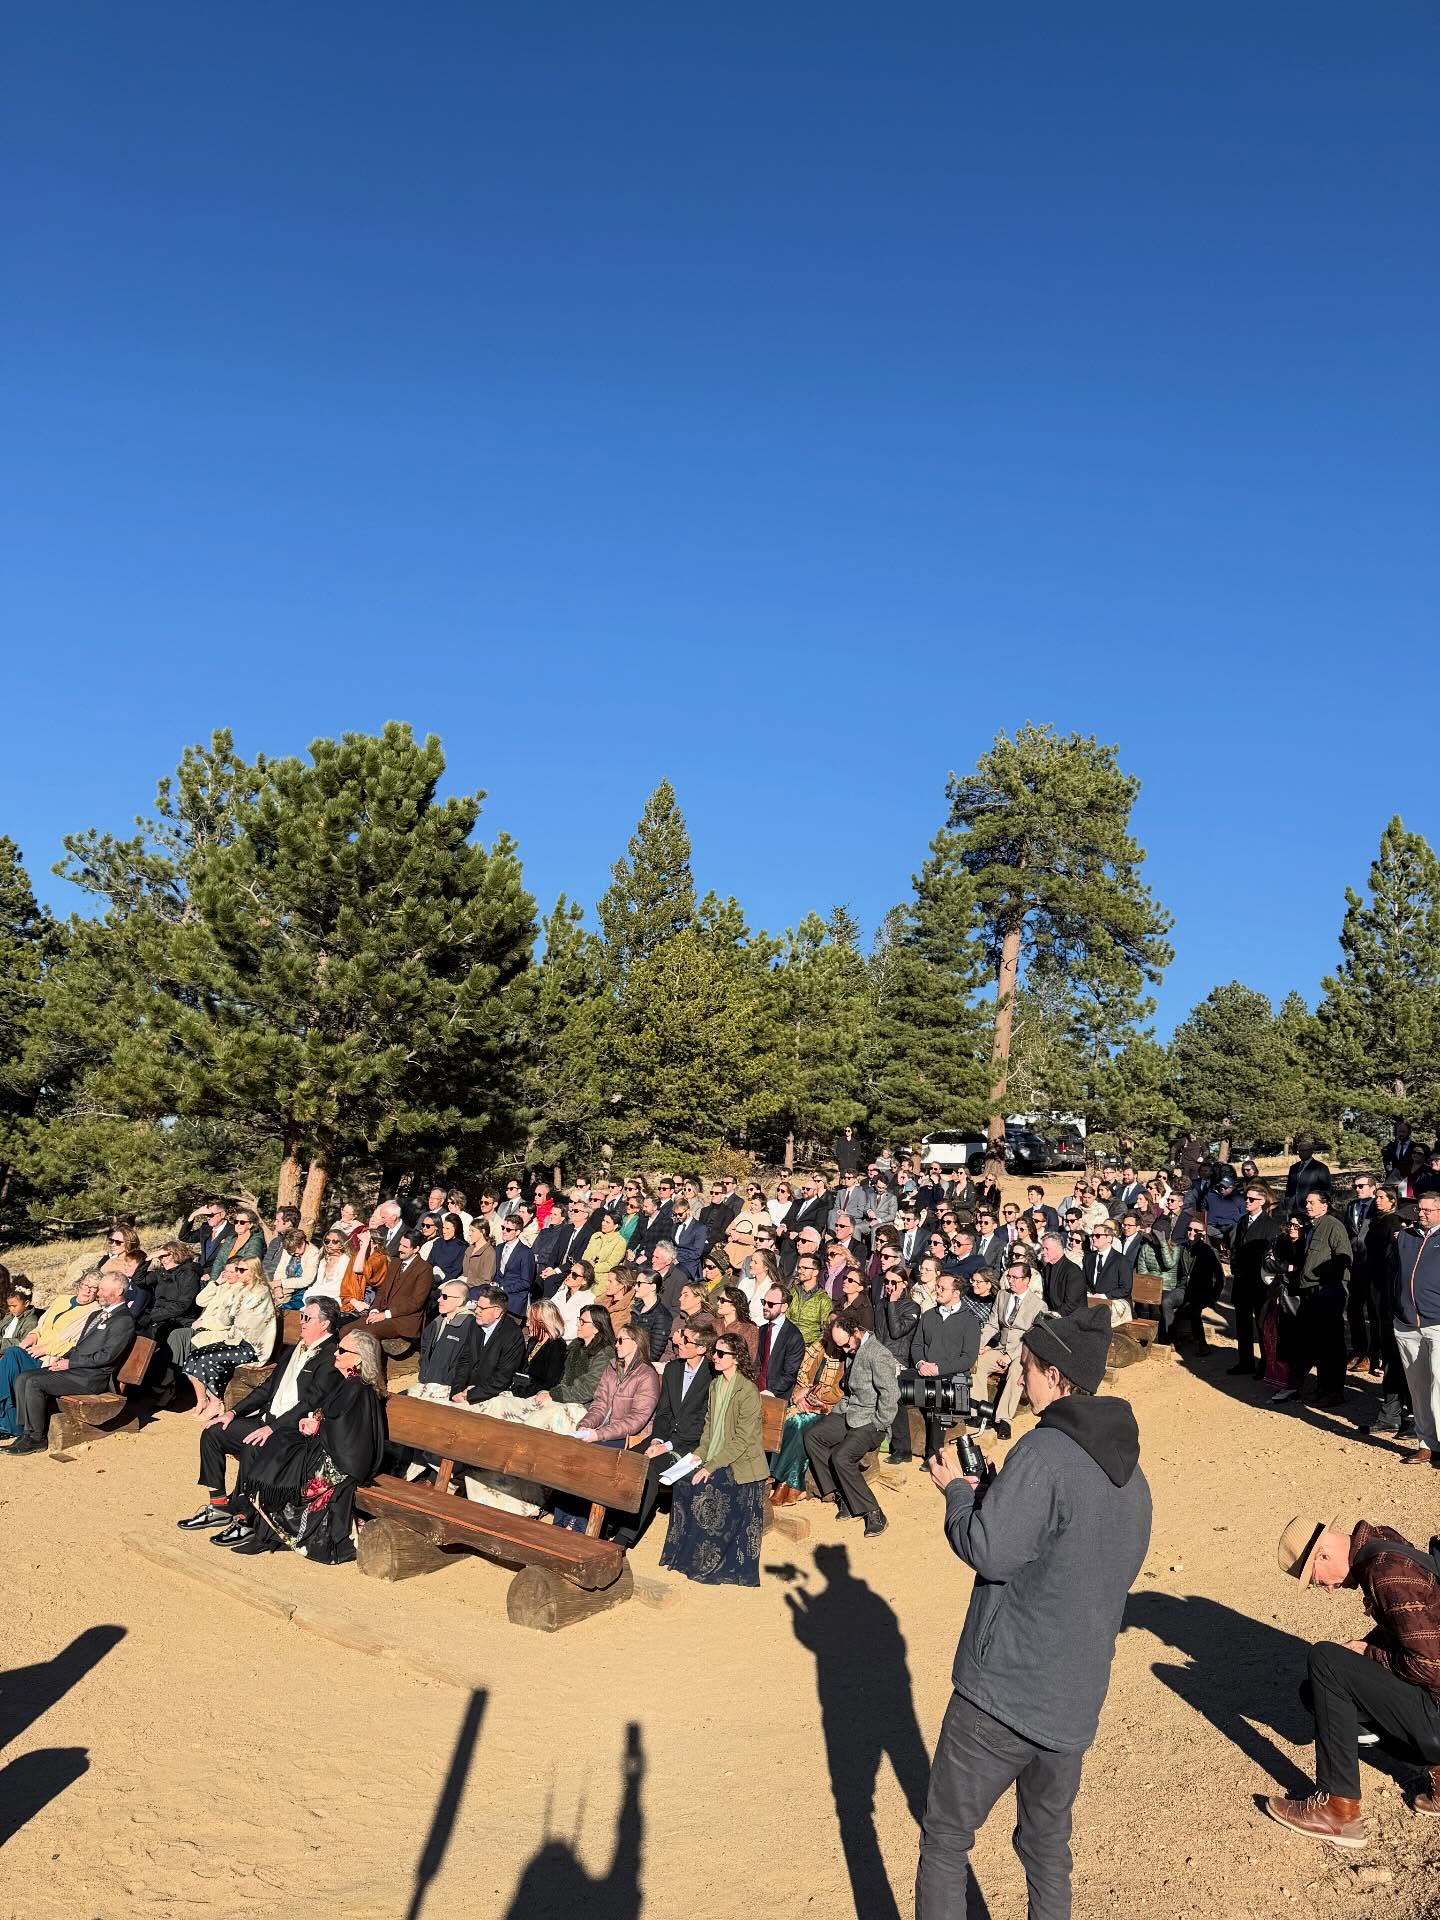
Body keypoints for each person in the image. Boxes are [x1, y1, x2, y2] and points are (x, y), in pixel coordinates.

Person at [916, 1304, 1152, 1919]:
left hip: (1003, 1693)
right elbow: (1078, 1559)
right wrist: (1002, 1495)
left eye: (1024, 1368)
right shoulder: (1134, 1477)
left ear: (1052, 1373)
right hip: (1073, 1700)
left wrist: (960, 1493)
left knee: (945, 1837)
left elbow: (989, 1551)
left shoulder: (1044, 1452)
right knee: (1047, 1849)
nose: (1017, 1379)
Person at [1264, 1512, 1440, 1847]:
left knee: (1325, 1661)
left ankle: (1337, 1810)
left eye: (1317, 1580)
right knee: (1316, 1690)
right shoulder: (1383, 1546)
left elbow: (1430, 1667)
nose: (1328, 1590)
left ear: (1323, 1555)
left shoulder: (1389, 1572)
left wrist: (1367, 1654)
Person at [175, 1297, 342, 1546]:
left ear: (325, 1324)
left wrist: (272, 1428)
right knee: (215, 1431)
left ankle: (247, 1519)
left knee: (254, 1445)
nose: (302, 1321)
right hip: (268, 1420)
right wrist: (233, 1412)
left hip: (295, 1432)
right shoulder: (297, 1347)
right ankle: (219, 1505)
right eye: (302, 1316)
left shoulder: (330, 1357)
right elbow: (267, 1388)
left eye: (307, 1318)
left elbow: (310, 1404)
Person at [248, 1329, 388, 1562]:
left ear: (359, 1358)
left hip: (342, 1460)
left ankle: (268, 1532)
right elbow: (334, 1417)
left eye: (342, 1350)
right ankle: (261, 1528)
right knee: (280, 1442)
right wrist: (315, 1420)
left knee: (283, 1453)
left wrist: (318, 1427)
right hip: (331, 1448)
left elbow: (350, 1433)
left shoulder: (359, 1388)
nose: (336, 1352)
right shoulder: (349, 1382)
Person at [659, 1330, 768, 1587]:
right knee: (683, 1483)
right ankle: (683, 1556)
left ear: (737, 1358)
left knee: (706, 1488)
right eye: (714, 1352)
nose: (714, 1357)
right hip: (715, 1455)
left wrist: (710, 1466)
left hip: (742, 1464)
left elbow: (742, 1441)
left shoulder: (748, 1392)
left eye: (720, 1354)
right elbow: (709, 1429)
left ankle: (707, 1562)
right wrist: (699, 1455)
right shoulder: (716, 1385)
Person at [2, 1272, 137, 1455]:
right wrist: (63, 1358)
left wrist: (70, 1363)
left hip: (92, 1378)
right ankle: (26, 1432)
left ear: (119, 1290)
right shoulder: (97, 1315)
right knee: (23, 1377)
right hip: (75, 1370)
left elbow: (107, 1357)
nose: (98, 1293)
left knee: (34, 1383)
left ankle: (37, 1438)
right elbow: (78, 1345)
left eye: (103, 1289)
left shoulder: (123, 1320)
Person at [612, 1313, 717, 1548]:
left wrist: (666, 1446)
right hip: (664, 1437)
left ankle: (625, 1536)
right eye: (681, 1338)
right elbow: (664, 1412)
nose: (678, 1343)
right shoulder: (672, 1370)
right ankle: (610, 1520)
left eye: (686, 1341)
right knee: (626, 1461)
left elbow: (703, 1424)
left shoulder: (712, 1376)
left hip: (691, 1446)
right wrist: (656, 1439)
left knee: (648, 1472)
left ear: (701, 1349)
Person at [549, 1320, 663, 1532]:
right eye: (616, 1340)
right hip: (602, 1431)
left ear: (636, 1344)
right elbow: (599, 1405)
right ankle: (561, 1519)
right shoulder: (612, 1367)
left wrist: (599, 1434)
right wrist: (585, 1426)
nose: (616, 1344)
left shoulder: (647, 1375)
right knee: (571, 1451)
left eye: (621, 1340)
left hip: (627, 1437)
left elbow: (637, 1420)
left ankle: (580, 1525)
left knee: (591, 1461)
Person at [804, 1307, 900, 1538]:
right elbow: (850, 1392)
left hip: (871, 1421)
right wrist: (836, 1412)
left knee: (841, 1457)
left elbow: (890, 1395)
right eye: (841, 1347)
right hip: (849, 1412)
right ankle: (840, 1495)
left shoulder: (878, 1354)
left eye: (846, 1345)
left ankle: (874, 1512)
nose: (845, 1351)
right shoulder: (853, 1350)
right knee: (812, 1436)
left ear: (856, 1332)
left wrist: (879, 1423)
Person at [891, 1271, 982, 1466]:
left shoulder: (970, 1321)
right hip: (923, 1372)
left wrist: (938, 1368)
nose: (937, 1290)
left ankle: (933, 1454)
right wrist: (921, 1363)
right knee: (892, 1387)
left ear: (956, 1293)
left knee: (936, 1396)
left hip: (951, 1378)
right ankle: (902, 1448)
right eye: (937, 1287)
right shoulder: (929, 1315)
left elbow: (968, 1359)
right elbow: (916, 1345)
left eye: (942, 1288)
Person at [0, 1275, 101, 1437]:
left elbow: (77, 1343)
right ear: (79, 1284)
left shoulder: (94, 1311)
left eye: (94, 1287)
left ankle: (10, 1424)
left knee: (11, 1355)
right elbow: (40, 1327)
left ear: (98, 1292)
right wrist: (30, 1338)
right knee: (11, 1359)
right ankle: (9, 1423)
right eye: (85, 1284)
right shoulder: (62, 1300)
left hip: (50, 1359)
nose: (88, 1289)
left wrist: (46, 1349)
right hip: (33, 1351)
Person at [180, 1259, 278, 1423]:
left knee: (206, 1359)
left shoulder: (260, 1292)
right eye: (237, 1269)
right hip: (235, 1341)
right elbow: (226, 1316)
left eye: (241, 1270)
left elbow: (239, 1319)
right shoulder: (241, 1289)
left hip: (253, 1348)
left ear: (253, 1271)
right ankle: (206, 1401)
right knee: (195, 1355)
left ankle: (216, 1401)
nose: (238, 1273)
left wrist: (230, 1305)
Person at [769, 1327, 846, 1506]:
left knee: (799, 1424)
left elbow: (838, 1391)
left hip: (827, 1407)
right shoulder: (816, 1348)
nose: (829, 1334)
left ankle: (789, 1483)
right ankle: (787, 1482)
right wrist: (798, 1394)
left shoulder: (844, 1357)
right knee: (787, 1421)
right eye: (828, 1328)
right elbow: (799, 1376)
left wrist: (810, 1394)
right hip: (802, 1400)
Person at [972, 1256, 1047, 1436]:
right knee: (977, 1363)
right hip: (1001, 1346)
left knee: (1016, 1371)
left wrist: (1011, 1355)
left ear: (1026, 1280)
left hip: (1023, 1351)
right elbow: (992, 1324)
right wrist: (978, 1343)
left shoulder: (1038, 1305)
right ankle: (982, 1412)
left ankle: (1004, 1418)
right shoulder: (1002, 1295)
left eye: (1014, 1277)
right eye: (1009, 1277)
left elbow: (1032, 1337)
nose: (1010, 1281)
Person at [1391, 1191, 1440, 1465]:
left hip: (1438, 1323)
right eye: (1419, 1209)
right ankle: (1427, 1443)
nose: (1420, 1214)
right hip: (1407, 1323)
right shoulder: (1405, 1239)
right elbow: (1392, 1275)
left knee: (1439, 1385)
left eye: (1427, 1210)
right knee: (1418, 1387)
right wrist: (1395, 1309)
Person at [1229, 1183, 1284, 1377]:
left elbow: (1273, 1255)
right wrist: (1234, 1266)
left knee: (1262, 1326)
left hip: (1260, 1283)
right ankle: (1245, 1362)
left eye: (1252, 1199)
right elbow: (1235, 1247)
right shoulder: (1243, 1221)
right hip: (1242, 1280)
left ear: (1262, 1201)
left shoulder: (1271, 1226)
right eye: (1246, 1198)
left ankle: (1266, 1364)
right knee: (1242, 1324)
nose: (1247, 1201)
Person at [358, 1235, 433, 1342]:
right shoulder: (395, 1263)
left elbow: (416, 1302)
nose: (399, 1249)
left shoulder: (425, 1269)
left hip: (403, 1321)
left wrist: (385, 1315)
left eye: (405, 1247)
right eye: (400, 1244)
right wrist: (374, 1310)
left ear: (416, 1249)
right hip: (381, 1314)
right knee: (346, 1329)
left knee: (365, 1333)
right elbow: (382, 1291)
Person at [754, 1283, 804, 1399]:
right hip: (756, 1392)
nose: (765, 1307)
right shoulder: (762, 1330)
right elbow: (759, 1364)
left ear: (784, 1307)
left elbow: (790, 1374)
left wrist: (770, 1392)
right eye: (764, 1302)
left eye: (770, 1304)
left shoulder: (794, 1336)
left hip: (777, 1397)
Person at [1039, 1231, 1086, 1317]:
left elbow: (1071, 1305)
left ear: (1058, 1249)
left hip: (1072, 1320)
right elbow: (1047, 1298)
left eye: (1046, 1249)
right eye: (1043, 1249)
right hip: (1054, 1317)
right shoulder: (1047, 1269)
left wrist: (1051, 1317)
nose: (1043, 1252)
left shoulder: (1073, 1272)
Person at [1285, 1137, 1333, 1215]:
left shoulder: (1320, 1168)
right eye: (1299, 1151)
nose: (1300, 1153)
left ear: (1311, 1151)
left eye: (1303, 1151)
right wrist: (1287, 1200)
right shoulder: (1293, 1168)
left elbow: (1326, 1190)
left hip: (1310, 1208)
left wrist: (1320, 1207)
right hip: (1293, 1208)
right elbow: (1289, 1187)